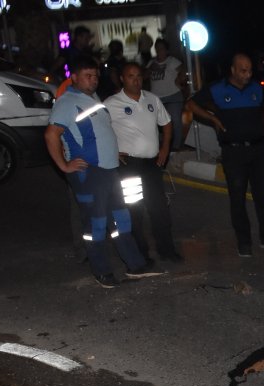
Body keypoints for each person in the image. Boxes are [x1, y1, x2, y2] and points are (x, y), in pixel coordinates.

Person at [45, 57, 164, 288]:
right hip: (89, 173)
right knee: (96, 225)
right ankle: (101, 271)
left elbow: (99, 132)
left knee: (121, 220)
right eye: (87, 76)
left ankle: (134, 265)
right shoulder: (67, 101)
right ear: (75, 78)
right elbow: (51, 135)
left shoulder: (92, 98)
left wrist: (113, 151)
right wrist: (63, 165)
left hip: (109, 170)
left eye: (95, 76)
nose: (93, 80)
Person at [188, 53, 264, 256]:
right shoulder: (218, 88)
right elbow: (193, 104)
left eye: (249, 70)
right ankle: (244, 241)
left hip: (258, 150)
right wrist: (213, 119)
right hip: (233, 152)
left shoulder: (257, 88)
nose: (247, 75)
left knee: (262, 196)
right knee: (237, 197)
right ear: (233, 70)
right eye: (243, 70)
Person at [106, 61, 181, 263]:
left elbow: (166, 124)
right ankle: (141, 254)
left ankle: (167, 251)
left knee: (159, 210)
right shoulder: (111, 104)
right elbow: (100, 130)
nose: (136, 80)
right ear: (122, 79)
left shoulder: (152, 99)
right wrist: (112, 151)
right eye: (131, 76)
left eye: (138, 75)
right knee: (134, 211)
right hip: (129, 166)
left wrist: (165, 148)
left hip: (152, 165)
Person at [147, 39, 188, 151]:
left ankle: (176, 146)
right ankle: (157, 145)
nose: (159, 51)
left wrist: (180, 80)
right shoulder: (151, 63)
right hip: (156, 99)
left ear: (166, 50)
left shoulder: (172, 61)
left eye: (161, 48)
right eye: (157, 48)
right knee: (153, 122)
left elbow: (184, 70)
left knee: (175, 121)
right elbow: (145, 76)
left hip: (172, 96)